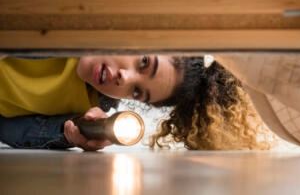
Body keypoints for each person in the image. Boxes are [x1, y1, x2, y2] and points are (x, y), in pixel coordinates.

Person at [0, 55, 271, 151]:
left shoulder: (86, 111)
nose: (124, 78)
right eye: (143, 62)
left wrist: (65, 134)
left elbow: (6, 129)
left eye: (137, 92)